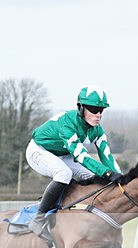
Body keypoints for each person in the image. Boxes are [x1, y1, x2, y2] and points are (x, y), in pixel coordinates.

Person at [25, 85, 124, 239]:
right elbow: (81, 156)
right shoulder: (67, 124)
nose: (98, 114)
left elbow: (107, 156)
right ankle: (38, 219)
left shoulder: (97, 130)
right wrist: (108, 173)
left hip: (63, 154)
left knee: (93, 175)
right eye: (93, 109)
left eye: (101, 110)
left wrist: (121, 177)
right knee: (64, 173)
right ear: (81, 108)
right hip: (39, 151)